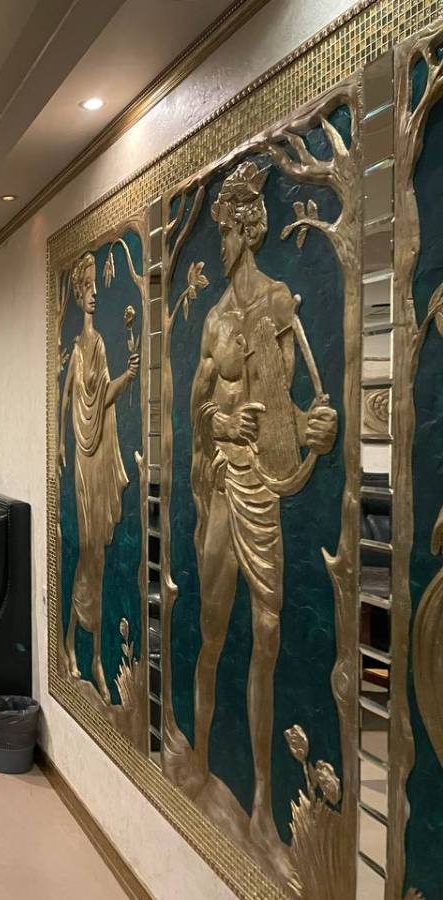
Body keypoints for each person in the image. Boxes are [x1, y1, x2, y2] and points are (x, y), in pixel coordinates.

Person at [188, 160, 337, 854]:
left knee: (269, 635)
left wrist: (315, 430)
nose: (222, 242)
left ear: (248, 229)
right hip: (224, 485)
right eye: (218, 229)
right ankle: (197, 756)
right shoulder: (215, 321)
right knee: (213, 631)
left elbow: (287, 410)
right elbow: (197, 412)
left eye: (228, 230)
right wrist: (222, 424)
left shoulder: (279, 305)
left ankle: (261, 802)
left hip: (265, 489)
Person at [59, 251, 139, 702]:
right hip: (82, 460)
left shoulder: (102, 345)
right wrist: (60, 444)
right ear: (78, 293)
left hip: (99, 456)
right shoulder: (76, 349)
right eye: (87, 288)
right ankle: (74, 641)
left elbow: (103, 395)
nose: (93, 295)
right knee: (88, 551)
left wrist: (128, 376)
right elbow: (67, 398)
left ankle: (91, 657)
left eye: (95, 288)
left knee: (99, 558)